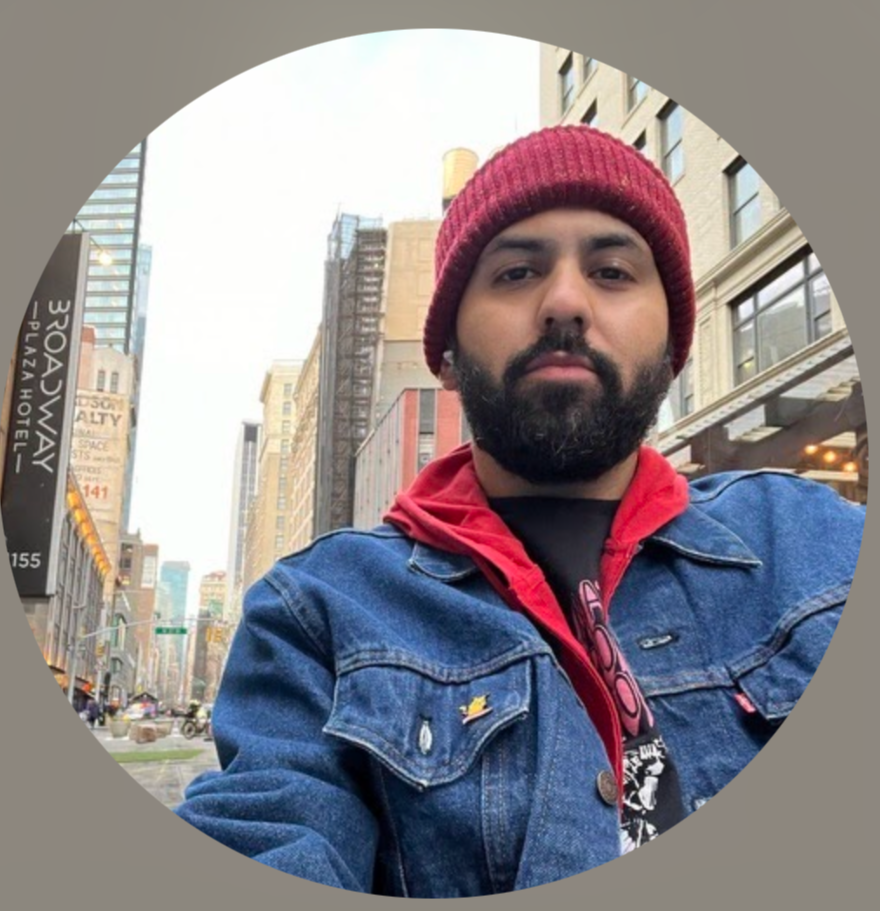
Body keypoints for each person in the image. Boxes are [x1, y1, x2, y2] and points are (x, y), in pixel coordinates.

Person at [174, 125, 864, 897]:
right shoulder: (318, 612)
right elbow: (269, 830)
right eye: (515, 272)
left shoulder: (823, 542)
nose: (564, 301)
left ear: (675, 343)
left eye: (610, 270)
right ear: (446, 353)